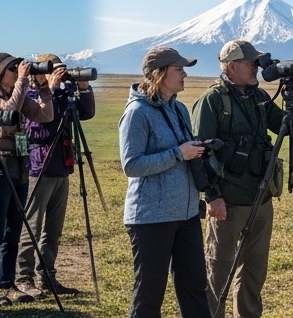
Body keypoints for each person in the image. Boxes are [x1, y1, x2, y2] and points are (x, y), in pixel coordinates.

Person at [118, 47, 212, 318]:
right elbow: (131, 165)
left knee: (194, 288)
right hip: (151, 218)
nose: (185, 74)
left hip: (187, 213)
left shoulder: (179, 108)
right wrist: (178, 154)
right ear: (159, 75)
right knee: (149, 293)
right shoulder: (137, 113)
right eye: (179, 69)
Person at [191, 40, 281, 318]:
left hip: (261, 199)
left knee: (255, 272)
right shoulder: (213, 100)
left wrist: (292, 92)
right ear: (232, 66)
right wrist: (213, 196)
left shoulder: (259, 97)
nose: (256, 68)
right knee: (218, 271)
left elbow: (285, 126)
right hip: (227, 202)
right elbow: (199, 152)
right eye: (251, 63)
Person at [0, 52, 53, 305]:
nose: (17, 72)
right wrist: (22, 82)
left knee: (13, 228)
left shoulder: (16, 95)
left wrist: (42, 87)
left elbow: (45, 116)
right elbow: (7, 122)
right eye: (12, 69)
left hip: (19, 165)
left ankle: (5, 282)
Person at [15, 54, 92, 298]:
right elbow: (35, 126)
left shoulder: (61, 95)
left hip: (62, 165)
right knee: (32, 226)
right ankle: (23, 277)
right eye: (55, 70)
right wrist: (50, 87)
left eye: (63, 71)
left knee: (54, 229)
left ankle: (47, 275)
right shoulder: (29, 94)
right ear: (42, 71)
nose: (60, 74)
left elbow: (86, 113)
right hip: (38, 167)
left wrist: (83, 87)